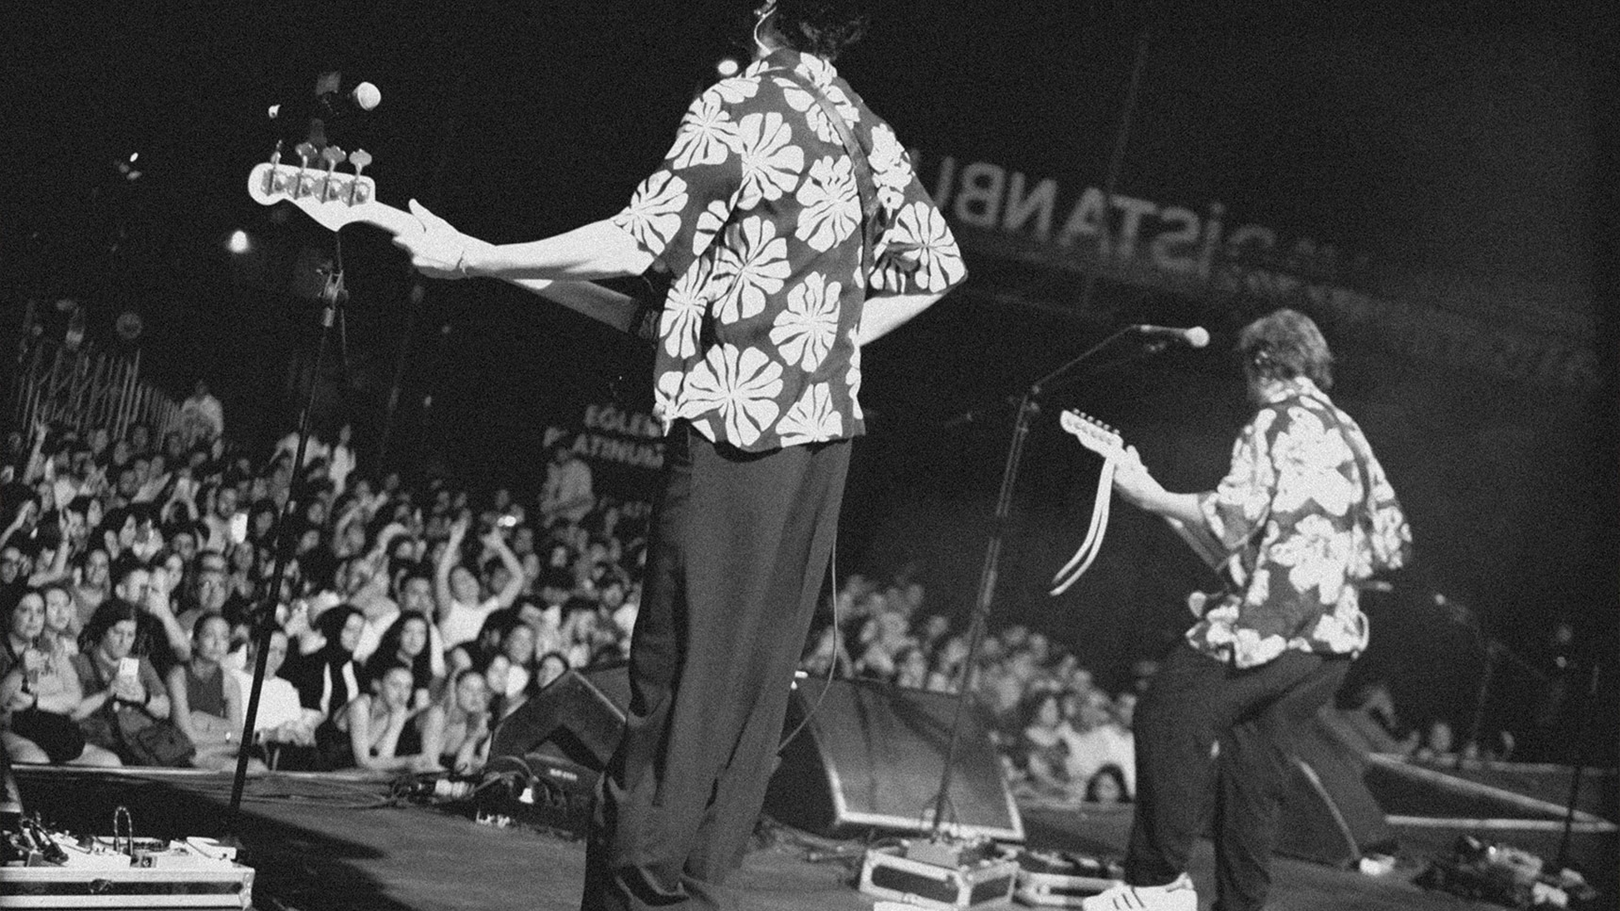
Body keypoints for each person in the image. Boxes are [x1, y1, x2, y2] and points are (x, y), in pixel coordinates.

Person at [391, 1, 965, 905]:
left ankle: (639, 893)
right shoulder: (856, 121)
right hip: (817, 449)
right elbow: (936, 265)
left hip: (737, 444)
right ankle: (695, 891)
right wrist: (816, 348)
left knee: (677, 690)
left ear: (769, 9)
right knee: (745, 697)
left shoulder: (744, 101)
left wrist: (472, 261)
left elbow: (636, 238)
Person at [1081, 309, 1411, 911]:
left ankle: (1157, 885)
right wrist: (1165, 504)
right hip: (1330, 644)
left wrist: (1150, 495)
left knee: (1167, 715)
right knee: (1254, 772)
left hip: (1276, 630)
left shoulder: (1274, 421)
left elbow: (1232, 516)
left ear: (1262, 363)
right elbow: (1390, 543)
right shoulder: (1350, 433)